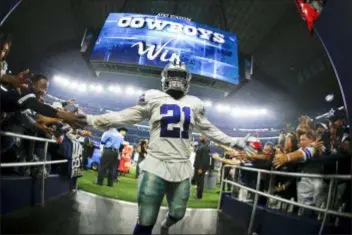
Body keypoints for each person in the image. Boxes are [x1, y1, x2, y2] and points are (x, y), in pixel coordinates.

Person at [75, 60, 249, 235]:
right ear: (165, 77)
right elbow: (123, 116)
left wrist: (233, 142)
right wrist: (91, 120)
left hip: (181, 165)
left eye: (180, 76)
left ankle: (165, 225)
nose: (176, 79)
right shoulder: (153, 97)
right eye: (172, 75)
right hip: (155, 163)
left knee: (178, 213)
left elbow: (209, 129)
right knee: (146, 219)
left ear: (187, 79)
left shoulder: (194, 103)